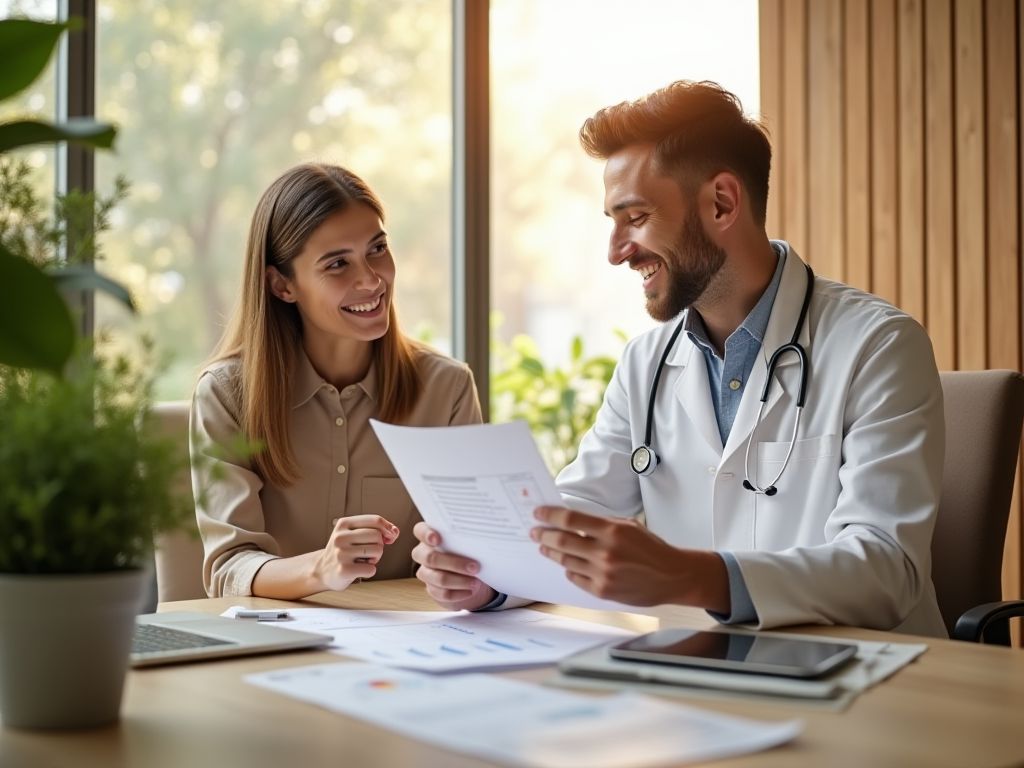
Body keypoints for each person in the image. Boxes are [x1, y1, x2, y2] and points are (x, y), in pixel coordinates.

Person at [412, 81, 947, 636]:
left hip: (872, 681)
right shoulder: (646, 362)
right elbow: (577, 516)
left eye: (636, 217)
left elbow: (887, 568)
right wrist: (490, 576)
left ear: (721, 202)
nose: (616, 250)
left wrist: (691, 577)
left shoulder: (878, 345)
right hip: (704, 676)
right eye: (611, 222)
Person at [191, 163, 482, 599]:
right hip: (278, 647)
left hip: (411, 645)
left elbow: (478, 549)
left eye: (377, 249)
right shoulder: (226, 395)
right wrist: (320, 570)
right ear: (282, 285)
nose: (370, 279)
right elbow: (228, 568)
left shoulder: (447, 389)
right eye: (338, 264)